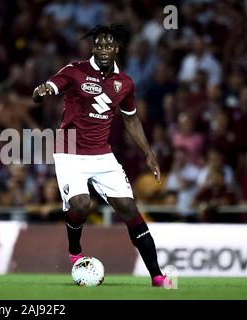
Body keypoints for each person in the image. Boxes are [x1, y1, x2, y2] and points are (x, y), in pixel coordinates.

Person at [32, 24, 171, 287]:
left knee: (129, 207)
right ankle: (75, 251)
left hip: (102, 154)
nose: (104, 49)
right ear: (93, 47)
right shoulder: (75, 70)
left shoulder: (125, 83)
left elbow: (131, 120)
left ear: (117, 48)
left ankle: (157, 276)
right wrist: (42, 92)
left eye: (109, 45)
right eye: (99, 45)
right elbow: (50, 86)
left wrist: (149, 155)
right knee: (82, 205)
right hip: (69, 150)